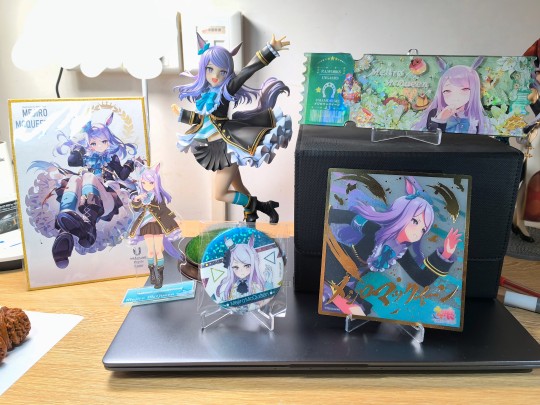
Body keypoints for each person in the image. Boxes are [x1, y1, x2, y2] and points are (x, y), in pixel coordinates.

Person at [172, 33, 292, 223]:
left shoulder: (226, 90)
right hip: (215, 146)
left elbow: (247, 71)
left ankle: (258, 206)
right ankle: (254, 212)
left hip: (227, 147)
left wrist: (269, 51)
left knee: (219, 194)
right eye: (210, 69)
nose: (215, 76)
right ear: (203, 69)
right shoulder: (206, 93)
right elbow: (204, 120)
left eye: (222, 72)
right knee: (239, 187)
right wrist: (183, 114)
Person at [27, 113, 137, 268]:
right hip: (85, 196)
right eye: (93, 143)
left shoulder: (112, 158)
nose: (99, 146)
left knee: (88, 176)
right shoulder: (87, 156)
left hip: (106, 196)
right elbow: (72, 161)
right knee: (74, 179)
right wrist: (79, 146)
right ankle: (66, 227)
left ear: (109, 141)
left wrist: (130, 164)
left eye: (103, 141)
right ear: (88, 143)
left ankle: (89, 222)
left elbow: (122, 175)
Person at [128, 164, 185, 289]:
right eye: (143, 183)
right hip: (146, 225)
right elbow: (136, 208)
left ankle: (160, 277)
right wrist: (137, 199)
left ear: (155, 182)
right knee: (150, 251)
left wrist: (174, 218)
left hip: (157, 225)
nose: (146, 186)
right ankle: (152, 274)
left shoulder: (158, 196)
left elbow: (164, 209)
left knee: (158, 251)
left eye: (150, 183)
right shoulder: (142, 196)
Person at [412, 57, 491, 134]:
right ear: (441, 92)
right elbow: (428, 137)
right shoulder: (435, 113)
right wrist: (440, 119)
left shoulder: (475, 115)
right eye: (447, 91)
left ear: (473, 90)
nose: (455, 97)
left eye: (464, 89)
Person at [216, 235, 265, 308]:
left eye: (247, 266)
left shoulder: (253, 285)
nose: (242, 271)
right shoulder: (232, 287)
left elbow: (261, 300)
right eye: (236, 267)